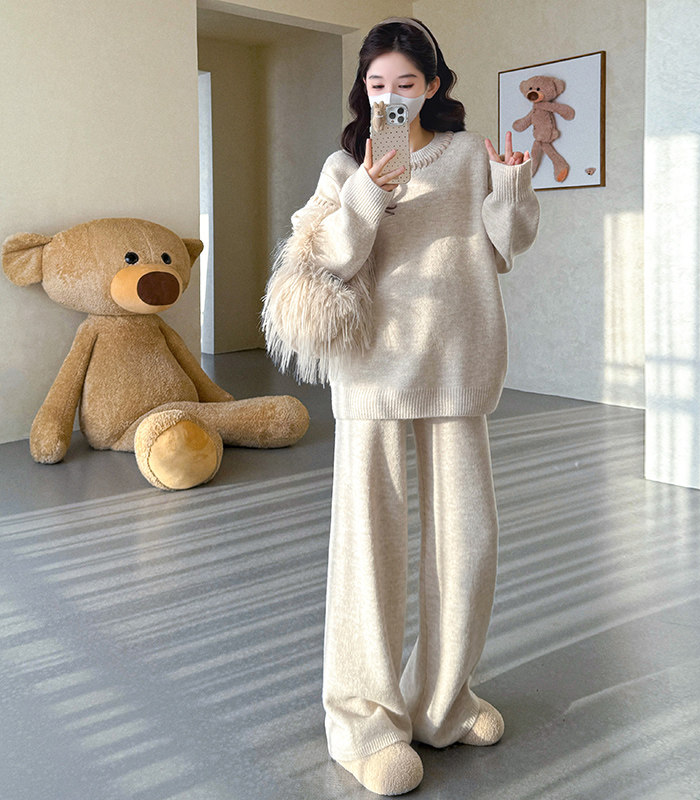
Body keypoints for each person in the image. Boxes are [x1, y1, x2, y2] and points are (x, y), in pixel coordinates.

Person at [270, 16, 539, 796]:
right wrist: (369, 189)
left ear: (434, 85)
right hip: (373, 374)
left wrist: (512, 184)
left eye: (406, 83)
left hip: (457, 364)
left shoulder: (467, 154)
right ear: (366, 89)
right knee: (370, 550)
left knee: (469, 544)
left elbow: (505, 247)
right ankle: (364, 726)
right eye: (377, 83)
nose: (390, 95)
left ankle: (442, 703)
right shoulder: (344, 165)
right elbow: (330, 259)